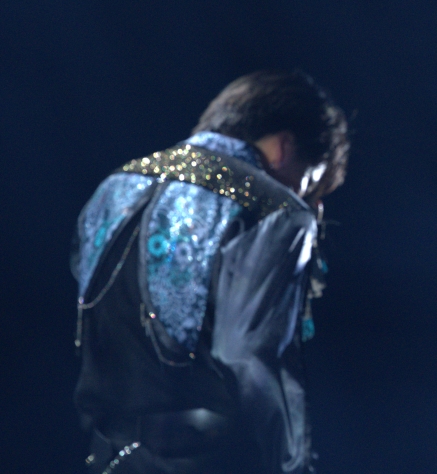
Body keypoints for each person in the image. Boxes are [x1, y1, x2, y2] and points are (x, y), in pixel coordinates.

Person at [71, 69, 349, 474]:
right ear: (283, 147)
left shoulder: (115, 186)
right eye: (309, 182)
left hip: (105, 456)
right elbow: (249, 355)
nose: (307, 199)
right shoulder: (276, 210)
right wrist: (292, 464)